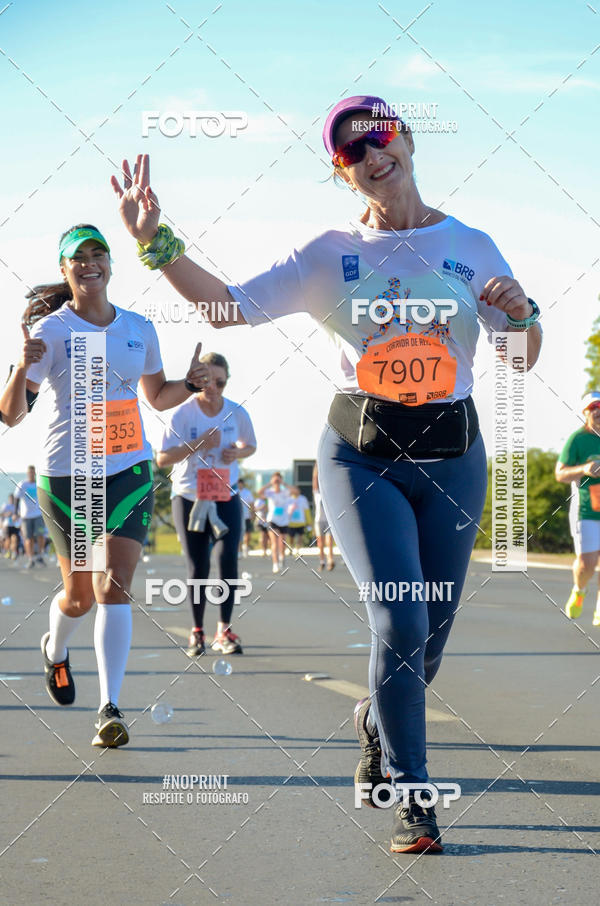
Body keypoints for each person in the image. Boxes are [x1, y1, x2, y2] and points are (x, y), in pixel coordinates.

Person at [111, 97, 542, 852]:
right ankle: (413, 795)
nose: (372, 156)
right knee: (401, 619)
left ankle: (375, 720)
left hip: (453, 459)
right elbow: (226, 308)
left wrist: (523, 313)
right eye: (352, 153)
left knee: (430, 640)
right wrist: (156, 242)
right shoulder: (328, 255)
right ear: (342, 173)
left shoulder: (472, 245)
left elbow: (518, 357)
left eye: (379, 138)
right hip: (362, 455)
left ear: (406, 140)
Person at [0, 223, 209, 748]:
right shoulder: (51, 331)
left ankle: (109, 707)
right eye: (79, 257)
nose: (90, 263)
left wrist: (191, 384)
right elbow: (11, 415)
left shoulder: (139, 328)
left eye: (98, 254)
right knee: (78, 598)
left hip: (128, 471)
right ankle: (55, 649)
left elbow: (157, 396)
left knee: (112, 585)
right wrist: (19, 368)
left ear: (111, 264)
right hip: (67, 475)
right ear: (65, 268)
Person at [157, 352, 256, 657]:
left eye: (220, 382)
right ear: (198, 381)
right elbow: (162, 459)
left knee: (228, 560)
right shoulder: (182, 414)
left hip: (225, 494)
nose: (213, 388)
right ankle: (197, 632)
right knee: (198, 565)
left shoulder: (236, 412)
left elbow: (251, 445)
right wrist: (198, 444)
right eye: (207, 381)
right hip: (189, 496)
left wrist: (237, 453)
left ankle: (224, 630)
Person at [556, 392, 600, 626]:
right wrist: (584, 469)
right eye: (593, 407)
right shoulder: (577, 439)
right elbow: (560, 473)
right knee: (587, 564)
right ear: (585, 413)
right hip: (586, 510)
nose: (598, 410)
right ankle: (579, 590)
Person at [256, 473, 291, 574]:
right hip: (272, 520)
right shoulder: (269, 492)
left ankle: (281, 557)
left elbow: (296, 491)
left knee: (282, 543)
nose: (276, 482)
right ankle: (275, 564)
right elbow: (259, 492)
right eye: (275, 481)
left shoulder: (285, 492)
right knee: (274, 542)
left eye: (278, 480)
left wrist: (283, 483)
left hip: (283, 520)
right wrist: (269, 483)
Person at [15, 465, 46, 567]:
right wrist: (15, 513)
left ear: (35, 473)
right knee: (29, 538)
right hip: (26, 516)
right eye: (29, 472)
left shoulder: (39, 483)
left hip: (38, 514)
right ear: (27, 473)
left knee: (41, 535)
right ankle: (31, 559)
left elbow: (45, 496)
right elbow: (16, 498)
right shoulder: (22, 484)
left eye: (33, 472)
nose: (31, 474)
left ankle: (40, 555)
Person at [313, 462, 335, 571]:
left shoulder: (330, 494)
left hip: (329, 521)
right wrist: (317, 466)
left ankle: (330, 560)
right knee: (320, 542)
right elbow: (314, 479)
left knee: (329, 541)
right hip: (319, 521)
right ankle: (322, 561)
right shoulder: (317, 494)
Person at [286, 485, 310, 556]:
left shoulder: (303, 499)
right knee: (291, 537)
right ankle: (290, 548)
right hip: (291, 522)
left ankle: (298, 550)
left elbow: (307, 510)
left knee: (300, 537)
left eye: (297, 489)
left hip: (301, 522)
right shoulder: (288, 499)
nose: (296, 491)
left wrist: (309, 521)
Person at [237, 478, 255, 557]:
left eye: (241, 483)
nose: (240, 485)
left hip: (246, 515)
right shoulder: (234, 491)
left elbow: (252, 504)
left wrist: (252, 513)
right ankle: (239, 550)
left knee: (248, 533)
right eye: (238, 484)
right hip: (237, 516)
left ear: (243, 484)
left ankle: (246, 547)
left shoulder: (247, 492)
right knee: (239, 533)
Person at [1, 494, 21, 560]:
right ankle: (8, 551)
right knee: (8, 540)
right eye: (11, 499)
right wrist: (7, 514)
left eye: (13, 499)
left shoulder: (17, 506)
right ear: (9, 499)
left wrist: (17, 515)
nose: (12, 500)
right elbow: (1, 514)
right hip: (7, 525)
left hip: (15, 525)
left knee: (14, 539)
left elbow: (20, 514)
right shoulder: (6, 506)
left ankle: (14, 553)